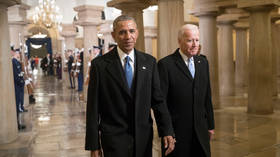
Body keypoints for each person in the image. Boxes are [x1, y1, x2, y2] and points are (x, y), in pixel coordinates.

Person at [85, 15, 175, 157]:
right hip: (113, 139)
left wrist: (167, 130)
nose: (128, 36)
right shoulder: (100, 65)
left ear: (137, 33)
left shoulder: (149, 62)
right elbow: (93, 108)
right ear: (114, 35)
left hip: (143, 138)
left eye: (131, 31)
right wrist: (93, 144)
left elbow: (158, 101)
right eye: (122, 32)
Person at [157, 24, 215, 157]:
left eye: (197, 40)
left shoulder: (203, 62)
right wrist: (167, 131)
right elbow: (161, 103)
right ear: (179, 41)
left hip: (201, 131)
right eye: (190, 40)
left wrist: (210, 125)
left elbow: (207, 96)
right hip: (177, 132)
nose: (195, 44)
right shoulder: (165, 65)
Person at [11, 49, 26, 130]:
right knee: (16, 104)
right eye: (17, 53)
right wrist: (21, 82)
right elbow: (16, 75)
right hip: (17, 85)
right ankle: (16, 124)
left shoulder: (16, 61)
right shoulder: (13, 61)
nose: (19, 54)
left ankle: (17, 123)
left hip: (19, 84)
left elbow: (20, 72)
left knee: (18, 103)